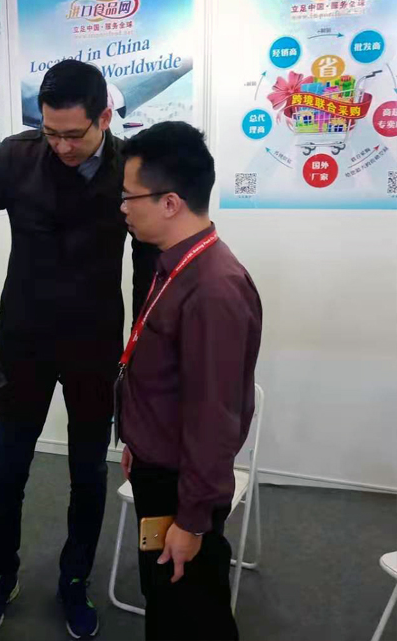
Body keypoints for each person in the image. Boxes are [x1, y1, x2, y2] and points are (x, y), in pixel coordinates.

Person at [0, 60, 154, 639]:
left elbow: (149, 265)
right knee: (7, 470)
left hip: (95, 347)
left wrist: (142, 349)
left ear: (104, 117)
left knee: (87, 475)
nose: (62, 146)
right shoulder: (17, 156)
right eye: (51, 132)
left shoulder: (131, 168)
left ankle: (75, 581)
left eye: (74, 134)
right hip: (23, 345)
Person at [118, 122, 263, 641]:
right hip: (160, 465)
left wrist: (193, 519)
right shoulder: (175, 265)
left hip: (182, 486)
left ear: (170, 202)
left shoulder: (213, 288)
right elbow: (166, 380)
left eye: (129, 196)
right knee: (167, 602)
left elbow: (213, 416)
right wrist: (139, 440)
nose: (123, 208)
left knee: (191, 612)